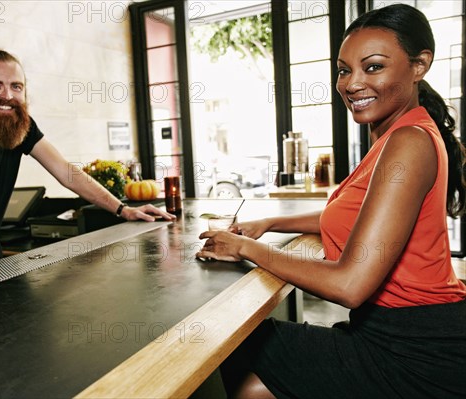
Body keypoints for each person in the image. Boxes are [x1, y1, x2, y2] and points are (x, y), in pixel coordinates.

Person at [197, 4, 466, 398]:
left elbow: (351, 283)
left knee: (234, 342)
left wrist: (246, 247)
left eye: (372, 67)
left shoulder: (408, 142)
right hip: (394, 330)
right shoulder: (395, 134)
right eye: (344, 70)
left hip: (415, 347)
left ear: (419, 65)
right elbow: (350, 215)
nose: (352, 83)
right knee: (253, 380)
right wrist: (269, 224)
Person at [0, 49, 175, 291]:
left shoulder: (20, 125)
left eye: (16, 86)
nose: (7, 96)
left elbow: (67, 172)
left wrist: (123, 209)